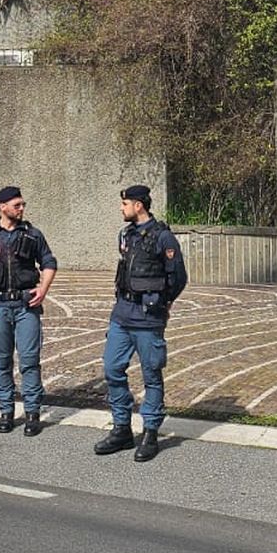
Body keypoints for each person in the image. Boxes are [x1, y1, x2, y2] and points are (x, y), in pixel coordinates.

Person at [94, 184, 186, 462]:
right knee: (112, 369)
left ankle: (150, 433)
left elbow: (178, 277)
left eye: (125, 204)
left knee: (151, 375)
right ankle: (122, 428)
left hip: (148, 317)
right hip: (122, 314)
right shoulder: (126, 235)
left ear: (138, 205)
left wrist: (164, 303)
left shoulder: (163, 237)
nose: (121, 209)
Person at [0, 186, 57, 436]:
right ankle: (6, 411)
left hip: (26, 306)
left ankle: (33, 412)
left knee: (29, 360)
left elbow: (49, 262)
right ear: (2, 207)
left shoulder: (32, 235)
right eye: (17, 205)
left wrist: (43, 289)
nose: (22, 209)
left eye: (23, 204)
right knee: (2, 360)